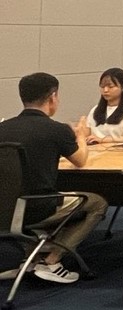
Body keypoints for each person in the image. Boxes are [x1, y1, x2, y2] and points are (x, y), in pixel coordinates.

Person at [0, 73, 108, 284]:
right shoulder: (56, 130)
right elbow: (81, 160)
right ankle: (52, 260)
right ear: (53, 97)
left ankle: (31, 256)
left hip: (4, 208)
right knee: (97, 203)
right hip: (38, 207)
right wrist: (80, 136)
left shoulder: (3, 129)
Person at [85, 68, 123, 144]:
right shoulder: (95, 110)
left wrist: (102, 140)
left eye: (111, 86)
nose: (105, 90)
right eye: (102, 86)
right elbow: (86, 135)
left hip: (120, 150)